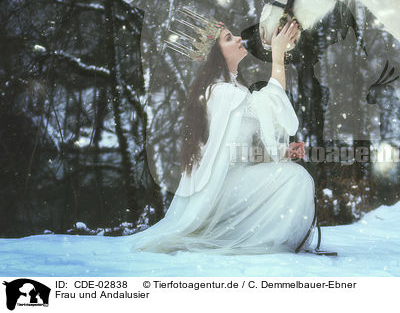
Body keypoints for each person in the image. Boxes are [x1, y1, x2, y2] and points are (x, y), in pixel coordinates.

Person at [124, 18, 316, 254]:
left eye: (233, 35)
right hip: (221, 191)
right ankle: (268, 241)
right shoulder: (219, 92)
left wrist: (282, 152)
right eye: (228, 38)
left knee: (294, 175)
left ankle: (271, 239)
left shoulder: (237, 91)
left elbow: (242, 149)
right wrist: (278, 54)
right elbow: (273, 101)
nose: (238, 38)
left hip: (236, 182)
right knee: (295, 178)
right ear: (217, 56)